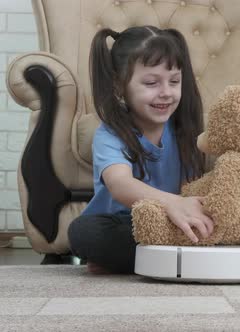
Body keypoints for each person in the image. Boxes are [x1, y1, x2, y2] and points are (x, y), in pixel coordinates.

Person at [68, 26, 213, 274]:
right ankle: (168, 257)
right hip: (123, 223)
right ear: (119, 85)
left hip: (170, 223)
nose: (166, 92)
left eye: (174, 81)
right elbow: (120, 185)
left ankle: (147, 259)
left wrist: (192, 208)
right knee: (83, 233)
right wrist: (174, 203)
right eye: (151, 83)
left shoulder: (184, 130)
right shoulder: (110, 133)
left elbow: (192, 185)